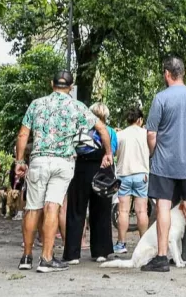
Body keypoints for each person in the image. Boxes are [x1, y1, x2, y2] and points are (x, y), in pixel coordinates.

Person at [15, 71, 113, 273]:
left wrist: (19, 160)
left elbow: (23, 133)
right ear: (71, 86)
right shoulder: (76, 106)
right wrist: (108, 153)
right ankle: (47, 258)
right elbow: (102, 129)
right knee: (53, 207)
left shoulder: (36, 104)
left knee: (33, 208)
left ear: (52, 84)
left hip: (39, 160)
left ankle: (26, 257)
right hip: (62, 162)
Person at [141, 57, 186, 273]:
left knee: (163, 206)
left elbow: (151, 133)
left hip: (164, 163)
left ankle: (161, 257)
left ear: (167, 74)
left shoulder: (161, 98)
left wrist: (153, 152)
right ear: (183, 73)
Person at [63, 102, 118, 265]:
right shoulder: (109, 131)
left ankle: (72, 254)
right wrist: (107, 156)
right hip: (102, 169)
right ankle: (101, 251)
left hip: (80, 168)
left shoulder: (78, 127)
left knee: (76, 210)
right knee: (101, 209)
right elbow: (113, 150)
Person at [114, 106, 150, 254]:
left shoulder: (120, 135)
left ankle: (121, 243)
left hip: (124, 174)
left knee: (123, 211)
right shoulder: (146, 134)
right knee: (142, 211)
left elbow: (115, 152)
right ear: (140, 120)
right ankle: (143, 243)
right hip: (142, 175)